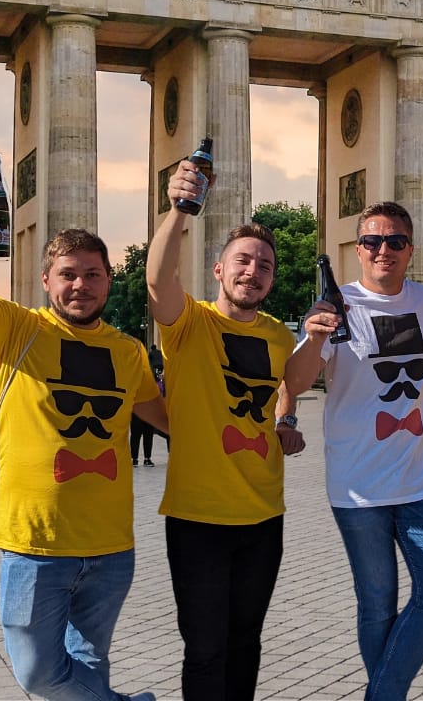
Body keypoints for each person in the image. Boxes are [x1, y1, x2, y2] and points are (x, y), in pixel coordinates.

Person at [0, 177, 167, 701]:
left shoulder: (128, 351)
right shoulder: (12, 329)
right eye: (68, 275)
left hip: (111, 545)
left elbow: (168, 418)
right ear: (45, 280)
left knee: (89, 665)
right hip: (33, 543)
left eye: (93, 274)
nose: (80, 285)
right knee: (38, 674)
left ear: (109, 281)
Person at [284, 201, 423, 701]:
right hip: (357, 488)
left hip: (420, 481)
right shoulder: (334, 309)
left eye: (395, 241)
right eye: (372, 242)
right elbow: (294, 383)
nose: (383, 250)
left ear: (410, 249)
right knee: (378, 604)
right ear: (357, 250)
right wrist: (312, 337)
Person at [146, 160, 304, 701]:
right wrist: (178, 212)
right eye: (242, 260)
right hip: (197, 517)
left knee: (247, 643)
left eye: (264, 265)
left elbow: (292, 380)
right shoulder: (188, 324)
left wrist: (287, 416)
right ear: (218, 270)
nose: (252, 271)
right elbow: (157, 278)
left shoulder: (281, 337)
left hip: (263, 513)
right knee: (205, 648)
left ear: (272, 279)